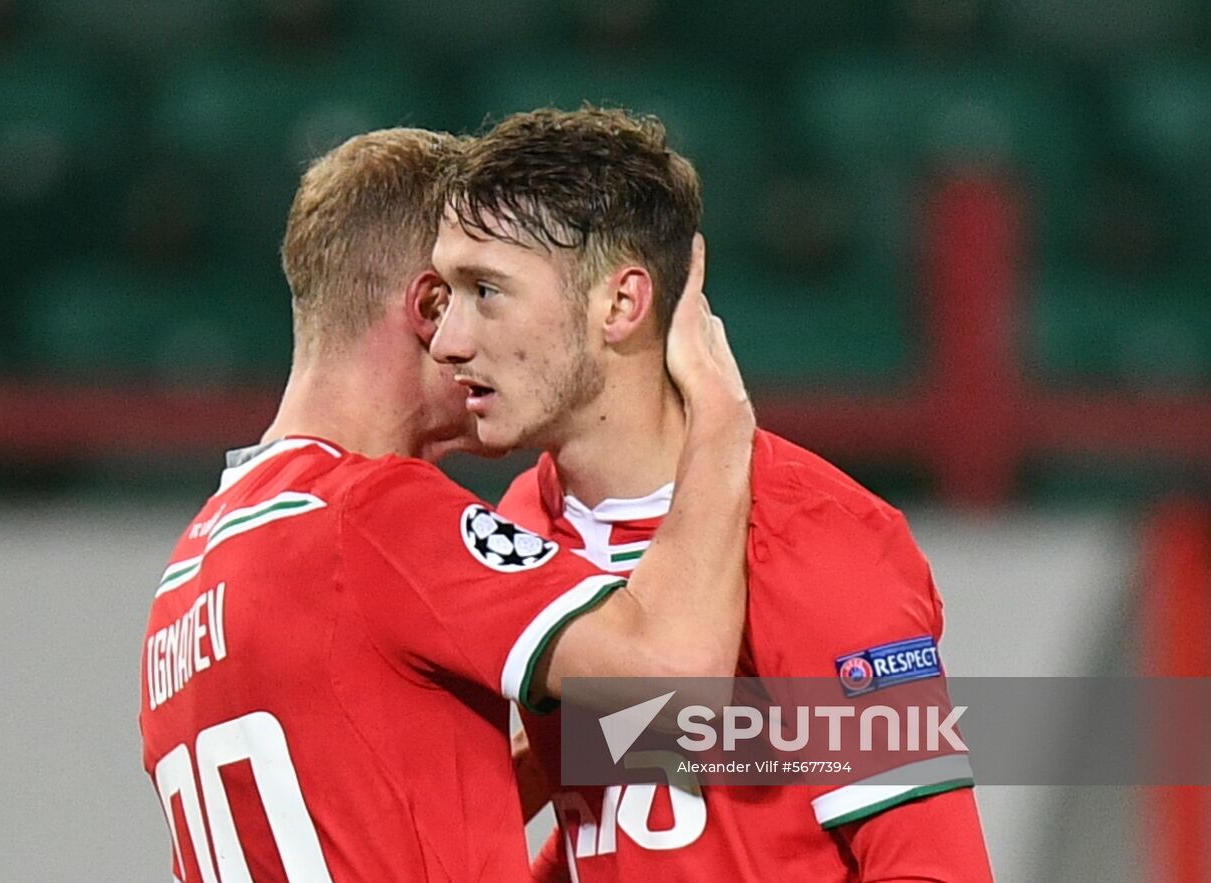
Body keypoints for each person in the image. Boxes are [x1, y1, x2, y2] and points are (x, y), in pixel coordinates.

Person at [137, 127, 755, 882]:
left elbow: (397, 789)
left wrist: (840, 741)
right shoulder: (374, 517)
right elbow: (676, 674)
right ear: (430, 308)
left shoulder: (193, 570)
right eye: (480, 293)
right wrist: (722, 418)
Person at [431, 106, 994, 882]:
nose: (447, 340)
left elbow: (934, 869)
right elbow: (617, 819)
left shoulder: (821, 540)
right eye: (444, 295)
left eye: (486, 291)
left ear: (621, 305)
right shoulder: (520, 521)